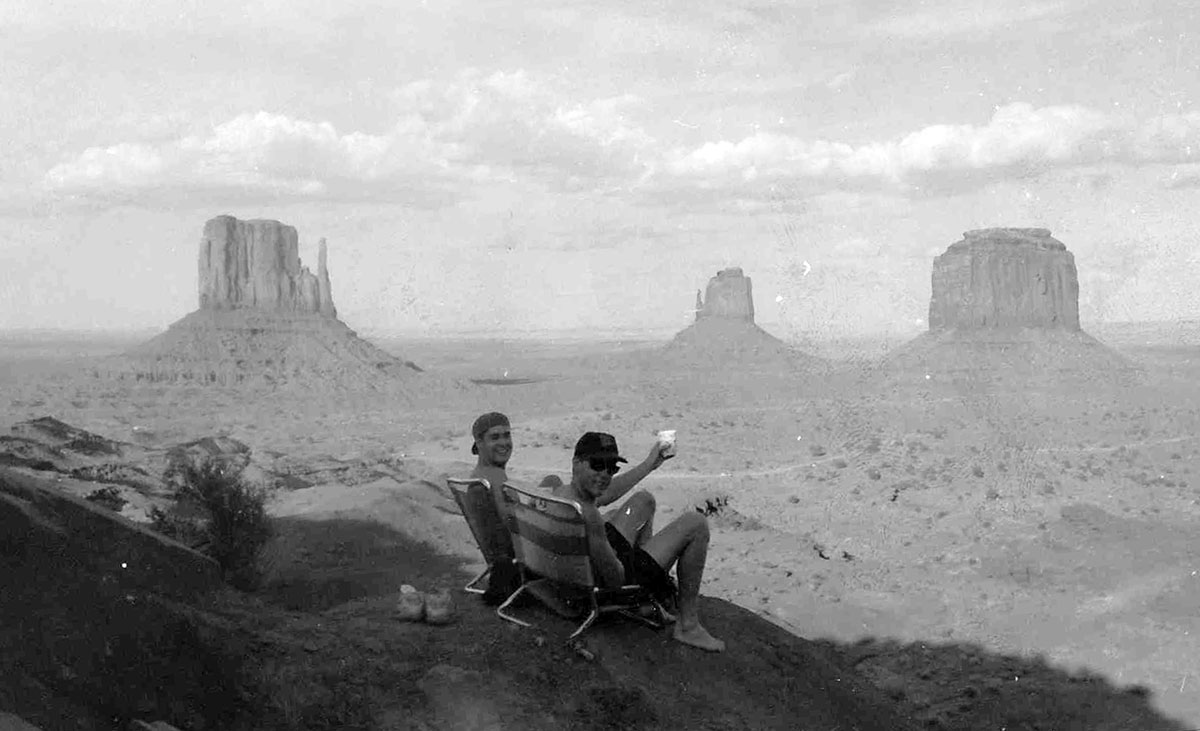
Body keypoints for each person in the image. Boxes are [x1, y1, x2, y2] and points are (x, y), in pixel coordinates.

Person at [553, 432, 725, 652]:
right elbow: (616, 578)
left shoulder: (563, 496)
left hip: (584, 566)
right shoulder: (589, 517)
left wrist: (649, 465)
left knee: (643, 501)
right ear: (576, 463)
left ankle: (654, 594)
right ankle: (687, 625)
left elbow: (606, 494)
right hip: (611, 583)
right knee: (696, 523)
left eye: (612, 468)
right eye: (597, 465)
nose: (605, 474)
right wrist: (611, 548)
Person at [468, 411, 671, 544]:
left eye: (506, 435)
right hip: (550, 557)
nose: (504, 443)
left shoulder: (483, 478)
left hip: (539, 548)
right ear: (478, 441)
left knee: (555, 482)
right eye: (495, 437)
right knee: (643, 502)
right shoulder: (494, 485)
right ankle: (647, 585)